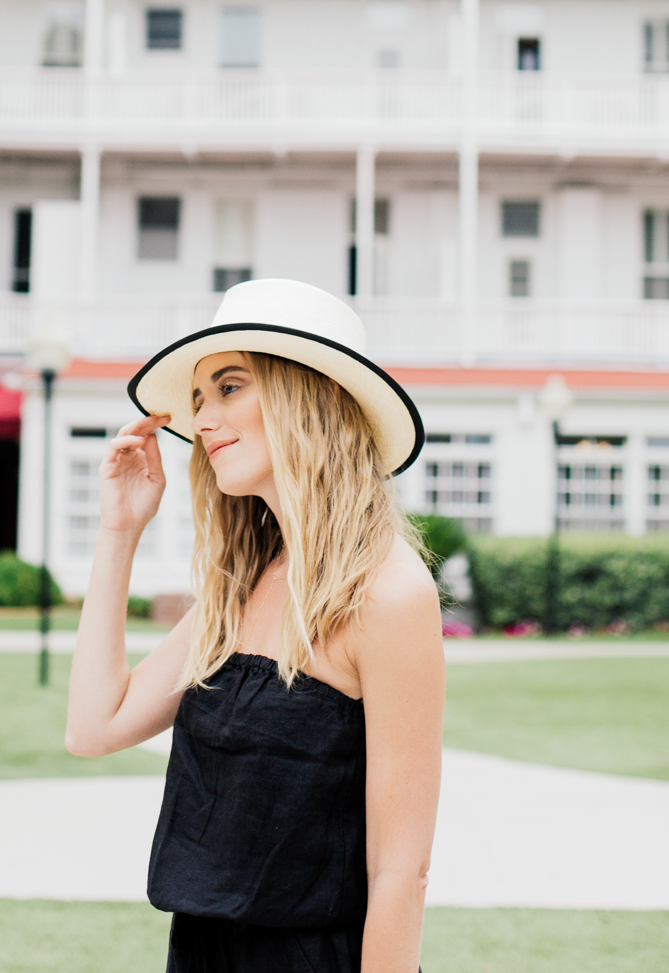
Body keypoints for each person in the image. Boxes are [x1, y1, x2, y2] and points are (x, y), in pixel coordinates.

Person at [67, 278, 446, 973]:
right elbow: (93, 727)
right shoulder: (242, 584)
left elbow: (401, 870)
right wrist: (119, 532)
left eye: (231, 387)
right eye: (201, 398)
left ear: (321, 395)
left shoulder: (390, 593)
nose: (204, 417)